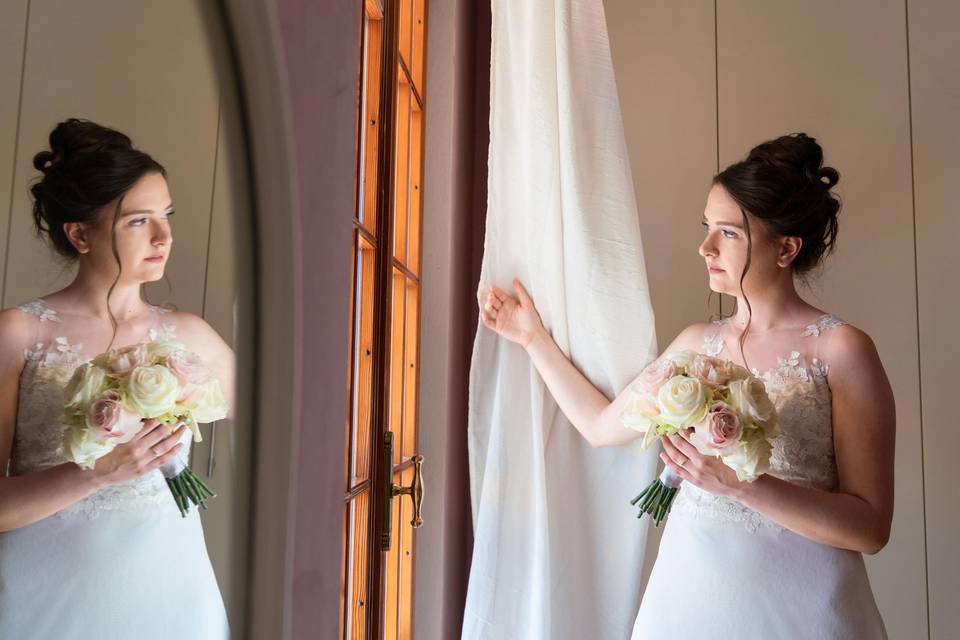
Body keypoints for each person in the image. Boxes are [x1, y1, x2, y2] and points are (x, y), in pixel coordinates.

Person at [479, 133, 892, 638]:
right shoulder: (697, 345)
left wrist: (741, 485)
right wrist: (531, 338)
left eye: (729, 233)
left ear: (786, 248)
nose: (706, 247)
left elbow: (870, 528)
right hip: (693, 594)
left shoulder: (842, 350)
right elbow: (600, 426)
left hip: (805, 606)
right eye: (707, 228)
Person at [0, 119, 235, 639]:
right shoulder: (17, 333)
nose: (164, 237)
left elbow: (295, 422)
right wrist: (96, 473)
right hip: (48, 598)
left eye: (167, 216)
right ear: (80, 234)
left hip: (171, 594)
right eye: (138, 221)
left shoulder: (189, 337)